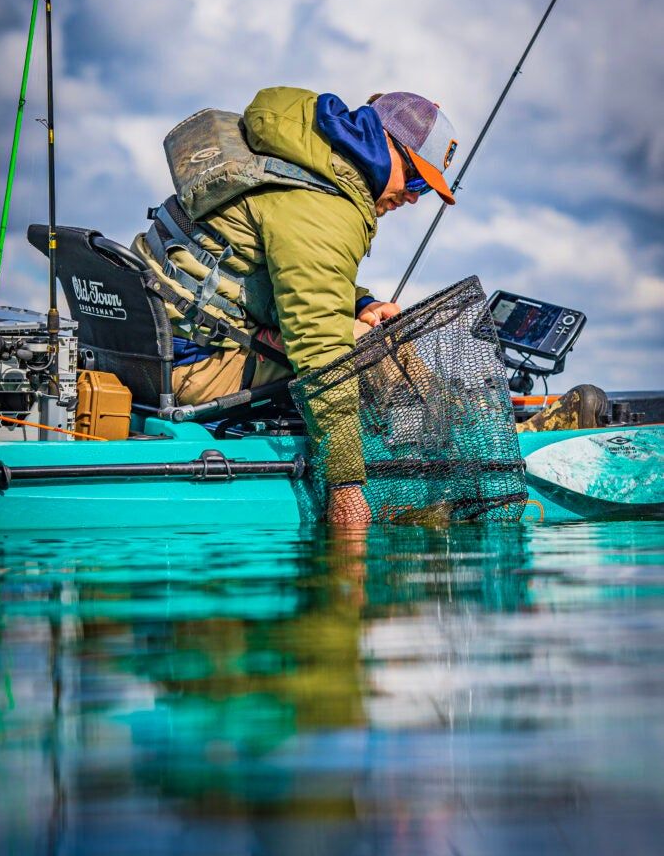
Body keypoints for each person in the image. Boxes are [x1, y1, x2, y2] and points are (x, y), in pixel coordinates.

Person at [133, 86, 606, 526]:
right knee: (382, 350)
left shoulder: (296, 157)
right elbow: (323, 353)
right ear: (386, 148)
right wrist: (345, 483)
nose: (412, 198)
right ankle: (474, 451)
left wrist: (359, 302)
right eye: (417, 181)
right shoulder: (324, 207)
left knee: (372, 330)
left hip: (165, 351)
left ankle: (460, 434)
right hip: (195, 368)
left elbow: (280, 268)